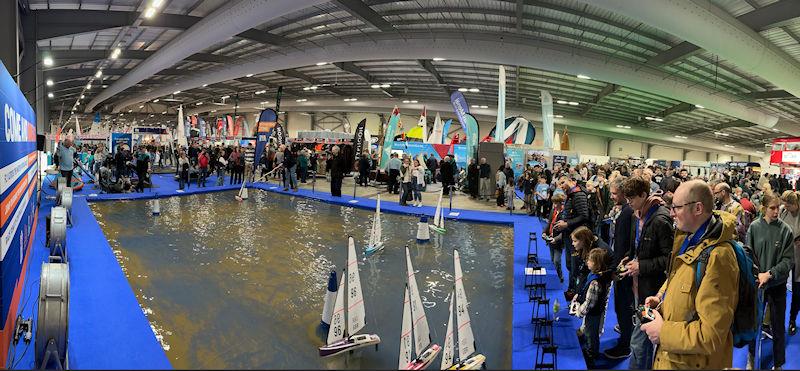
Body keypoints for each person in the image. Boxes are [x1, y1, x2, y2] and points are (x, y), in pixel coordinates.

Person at [640, 180, 739, 369]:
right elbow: (682, 281)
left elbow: (711, 336)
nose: (671, 213)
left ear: (698, 208)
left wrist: (663, 332)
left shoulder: (718, 257)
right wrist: (662, 298)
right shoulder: (690, 239)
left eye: (676, 207)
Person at [619, 175, 673, 370]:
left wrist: (641, 265)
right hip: (639, 286)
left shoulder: (660, 219)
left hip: (652, 291)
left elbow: (669, 260)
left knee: (640, 342)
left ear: (643, 195)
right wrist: (630, 258)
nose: (628, 202)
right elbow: (638, 247)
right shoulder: (638, 214)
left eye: (632, 198)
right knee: (642, 341)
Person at [745, 191, 794, 370]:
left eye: (777, 208)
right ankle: (751, 358)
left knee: (778, 327)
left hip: (777, 286)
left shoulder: (786, 231)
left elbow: (788, 261)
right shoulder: (754, 228)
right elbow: (747, 254)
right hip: (757, 286)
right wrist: (757, 274)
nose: (775, 212)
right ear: (763, 208)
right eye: (772, 208)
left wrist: (770, 274)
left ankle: (778, 363)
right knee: (753, 324)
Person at [602, 175, 636, 360]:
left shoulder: (626, 214)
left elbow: (622, 245)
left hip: (623, 270)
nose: (612, 196)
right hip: (624, 266)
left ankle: (624, 345)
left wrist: (614, 270)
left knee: (623, 307)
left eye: (615, 193)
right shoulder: (625, 211)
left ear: (624, 193)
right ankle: (626, 335)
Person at [573, 247, 613, 369]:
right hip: (593, 312)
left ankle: (592, 353)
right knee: (589, 330)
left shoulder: (595, 282)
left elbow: (590, 303)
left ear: (596, 264)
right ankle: (590, 348)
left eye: (589, 261)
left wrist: (579, 311)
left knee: (592, 334)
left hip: (593, 313)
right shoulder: (594, 275)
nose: (587, 262)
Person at [553, 175, 591, 295]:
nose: (561, 186)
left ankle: (575, 291)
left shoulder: (578, 195)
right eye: (559, 184)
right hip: (570, 235)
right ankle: (574, 290)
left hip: (577, 236)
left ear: (571, 181)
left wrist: (566, 223)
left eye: (563, 183)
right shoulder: (571, 195)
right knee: (570, 265)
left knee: (575, 266)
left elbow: (584, 216)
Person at [780, 191, 800, 336]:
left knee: (798, 291)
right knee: (778, 288)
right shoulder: (782, 211)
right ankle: (775, 321)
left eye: (789, 205)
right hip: (784, 255)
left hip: (798, 257)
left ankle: (792, 319)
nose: (786, 207)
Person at [544, 193, 566, 282]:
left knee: (557, 261)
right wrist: (544, 233)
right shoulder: (553, 211)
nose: (554, 205)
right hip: (550, 238)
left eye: (556, 203)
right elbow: (549, 223)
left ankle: (560, 276)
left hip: (558, 242)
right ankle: (555, 276)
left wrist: (555, 239)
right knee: (553, 260)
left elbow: (564, 232)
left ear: (561, 203)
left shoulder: (565, 214)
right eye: (553, 203)